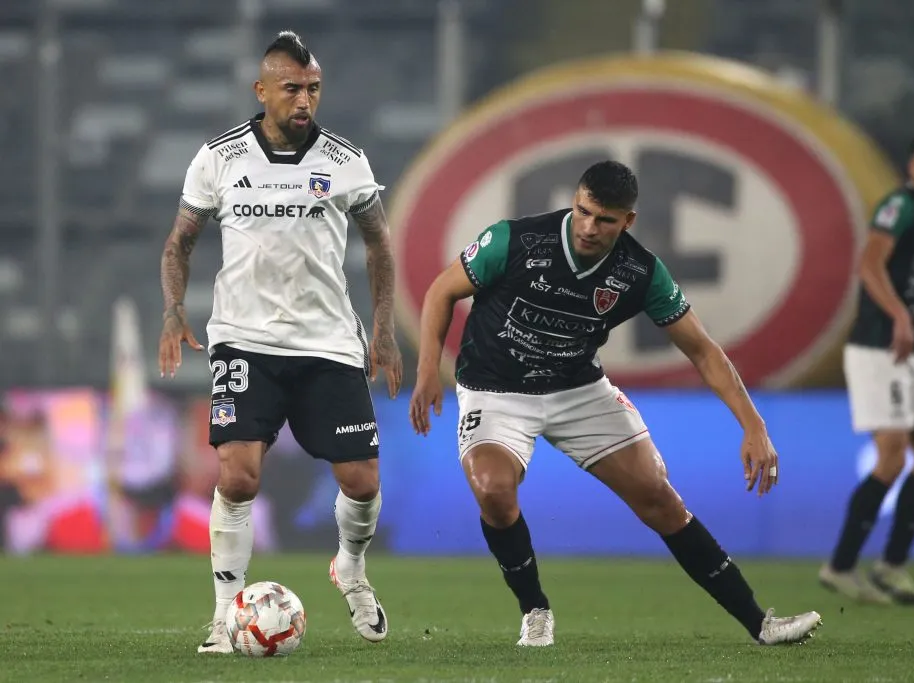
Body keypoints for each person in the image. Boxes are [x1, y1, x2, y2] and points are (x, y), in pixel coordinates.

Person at [409, 160, 822, 647]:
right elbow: (441, 292)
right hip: (496, 390)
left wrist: (753, 425)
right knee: (494, 492)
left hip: (579, 391)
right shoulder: (514, 241)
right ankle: (535, 610)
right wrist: (427, 371)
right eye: (583, 211)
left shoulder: (640, 271)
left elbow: (703, 350)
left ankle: (760, 624)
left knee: (659, 498)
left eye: (605, 219)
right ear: (574, 200)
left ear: (628, 220)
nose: (589, 227)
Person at [157, 31, 402, 652]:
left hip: (327, 343)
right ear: (261, 91)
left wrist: (382, 328)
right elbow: (180, 242)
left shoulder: (345, 161)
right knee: (238, 477)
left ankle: (350, 567)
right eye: (291, 88)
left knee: (363, 481)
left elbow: (379, 242)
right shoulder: (219, 158)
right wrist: (172, 311)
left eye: (313, 88)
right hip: (244, 341)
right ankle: (223, 615)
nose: (304, 100)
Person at [819, 130, 914, 605]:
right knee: (893, 456)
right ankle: (840, 567)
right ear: (912, 168)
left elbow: (903, 282)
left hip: (913, 345)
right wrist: (899, 316)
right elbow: (869, 265)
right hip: (879, 346)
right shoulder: (900, 205)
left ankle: (892, 566)